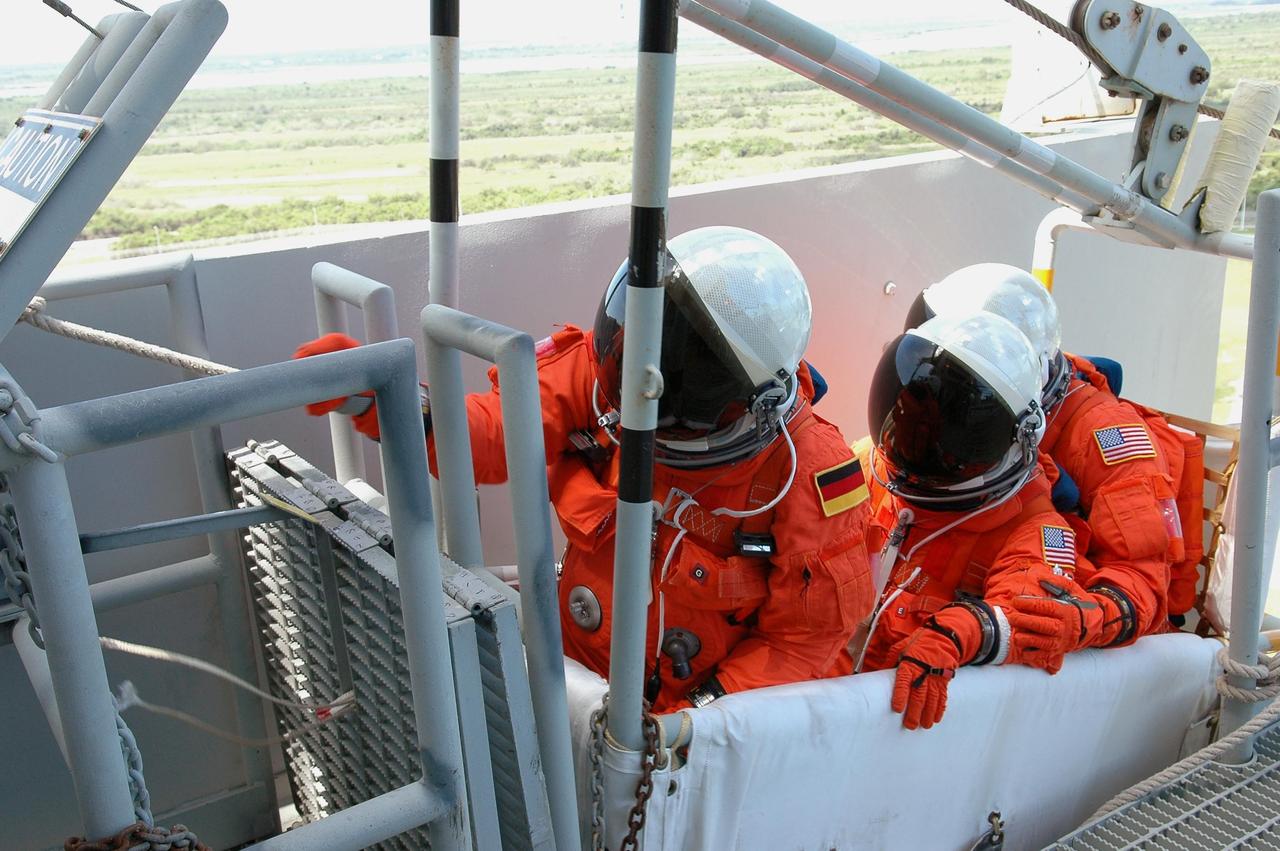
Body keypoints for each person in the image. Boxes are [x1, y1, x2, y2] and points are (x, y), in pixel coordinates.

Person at [296, 226, 874, 713]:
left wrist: (691, 725)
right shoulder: (613, 370)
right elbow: (497, 433)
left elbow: (805, 643)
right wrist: (392, 404)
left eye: (678, 375)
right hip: (578, 683)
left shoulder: (810, 473)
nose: (634, 399)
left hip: (701, 723)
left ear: (743, 400)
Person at [855, 312, 1110, 730]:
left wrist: (958, 631)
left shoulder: (1036, 529)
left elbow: (1034, 613)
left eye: (949, 432)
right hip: (835, 688)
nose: (923, 445)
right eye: (913, 418)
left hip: (896, 721)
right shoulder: (874, 462)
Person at [904, 263, 1191, 634]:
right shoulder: (958, 412)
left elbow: (1142, 580)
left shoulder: (1104, 436)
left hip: (1051, 621)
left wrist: (1069, 619)